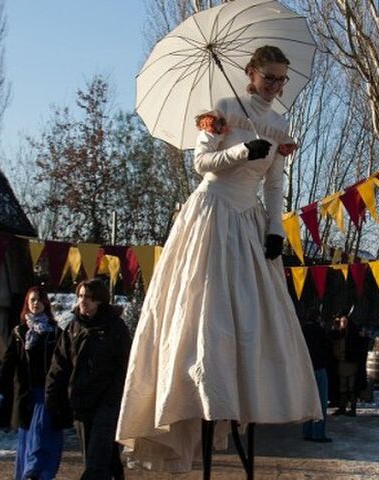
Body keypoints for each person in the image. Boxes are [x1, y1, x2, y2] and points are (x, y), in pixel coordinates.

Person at [116, 45, 322, 476]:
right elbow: (201, 163)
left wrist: (274, 230)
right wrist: (241, 152)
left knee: (251, 320)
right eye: (270, 78)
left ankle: (240, 397)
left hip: (248, 224)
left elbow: (274, 186)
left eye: (282, 79)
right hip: (210, 215)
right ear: (250, 73)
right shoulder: (223, 108)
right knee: (205, 315)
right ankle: (198, 395)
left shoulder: (280, 123)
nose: (276, 86)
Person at [45, 278, 130, 480]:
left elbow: (126, 364)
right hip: (81, 401)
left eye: (89, 298)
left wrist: (116, 395)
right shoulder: (73, 328)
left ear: (100, 301)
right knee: (100, 456)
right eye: (81, 296)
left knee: (96, 459)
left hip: (107, 402)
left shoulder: (115, 328)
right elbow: (59, 365)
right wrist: (52, 397)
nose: (83, 301)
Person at [0, 286, 63, 480]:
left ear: (46, 304)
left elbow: (65, 362)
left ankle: (37, 473)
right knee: (27, 438)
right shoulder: (19, 333)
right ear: (27, 304)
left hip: (47, 393)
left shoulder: (55, 333)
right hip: (26, 393)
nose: (35, 304)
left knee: (41, 436)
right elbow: (8, 363)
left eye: (39, 300)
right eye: (32, 300)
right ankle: (27, 474)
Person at [301, 309, 332, 442]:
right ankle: (318, 433)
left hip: (305, 369)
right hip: (319, 367)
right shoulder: (320, 331)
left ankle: (306, 432)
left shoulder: (301, 330)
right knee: (320, 402)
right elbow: (327, 347)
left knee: (307, 401)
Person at [330, 310, 366, 416]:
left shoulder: (354, 334)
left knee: (352, 387)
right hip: (341, 363)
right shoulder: (337, 334)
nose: (343, 323)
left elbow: (361, 344)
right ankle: (342, 407)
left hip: (352, 364)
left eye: (345, 321)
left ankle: (353, 408)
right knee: (342, 387)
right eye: (342, 322)